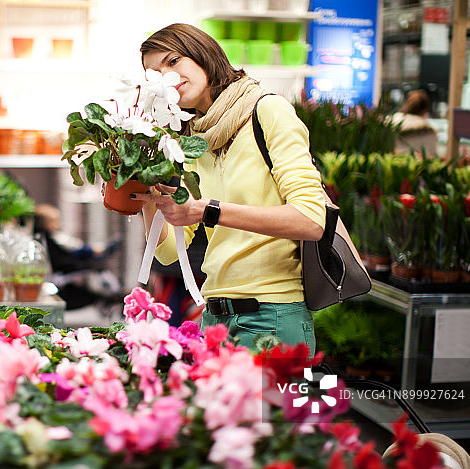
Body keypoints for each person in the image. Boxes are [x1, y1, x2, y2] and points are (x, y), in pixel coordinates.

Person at [132, 23, 326, 354]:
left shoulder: (267, 110)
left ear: (203, 55)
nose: (165, 77)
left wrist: (207, 210)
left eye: (173, 61)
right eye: (153, 72)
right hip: (216, 318)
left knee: (271, 409)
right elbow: (167, 251)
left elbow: (310, 219)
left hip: (272, 316)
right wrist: (146, 193)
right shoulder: (194, 138)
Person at [391, 89, 438, 157]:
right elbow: (429, 155)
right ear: (425, 110)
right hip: (415, 165)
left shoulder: (394, 119)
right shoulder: (427, 127)